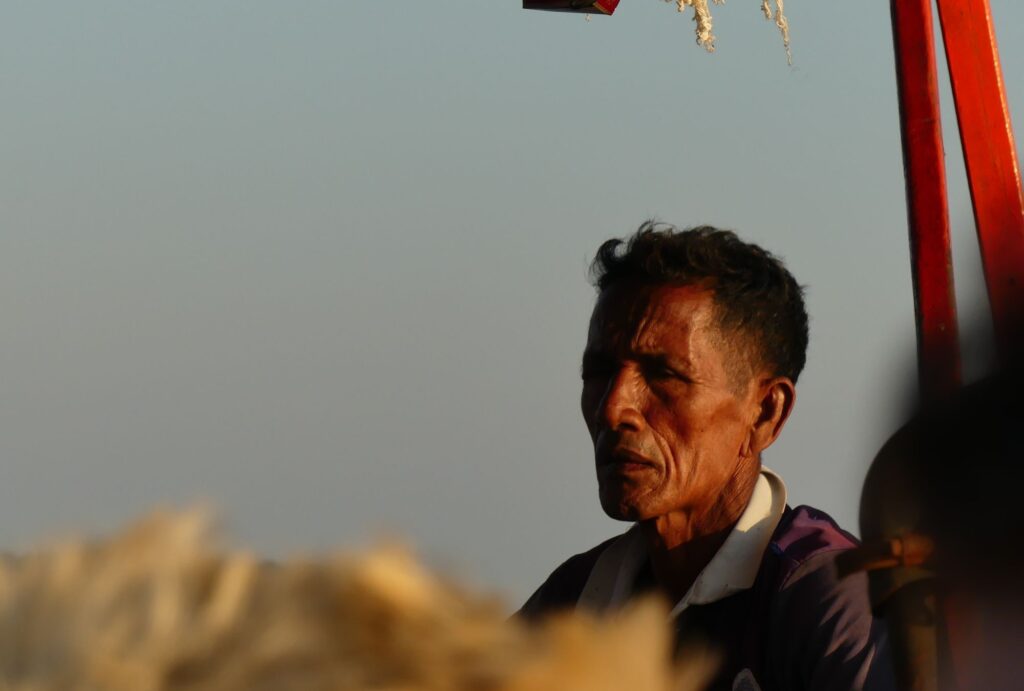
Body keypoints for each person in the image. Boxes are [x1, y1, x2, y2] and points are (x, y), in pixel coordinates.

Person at [518, 222, 894, 690]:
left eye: (663, 375)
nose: (613, 408)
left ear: (764, 413)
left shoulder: (825, 599)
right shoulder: (574, 603)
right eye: (599, 372)